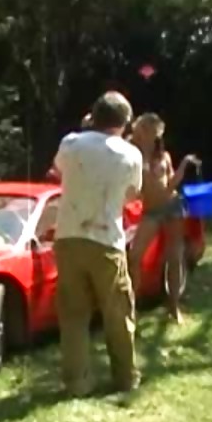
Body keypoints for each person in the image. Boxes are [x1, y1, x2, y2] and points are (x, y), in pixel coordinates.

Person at [52, 92, 143, 397]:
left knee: (74, 313)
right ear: (124, 122)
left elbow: (60, 169)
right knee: (117, 311)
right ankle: (125, 377)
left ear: (93, 116)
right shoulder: (130, 155)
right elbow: (132, 195)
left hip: (67, 235)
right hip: (106, 238)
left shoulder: (71, 143)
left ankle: (77, 382)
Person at [128, 113, 201, 324]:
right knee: (134, 256)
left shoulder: (163, 156)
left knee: (175, 257)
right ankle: (130, 306)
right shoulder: (131, 155)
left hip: (172, 207)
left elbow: (170, 185)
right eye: (144, 129)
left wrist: (184, 164)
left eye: (152, 131)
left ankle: (174, 306)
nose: (147, 134)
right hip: (151, 211)